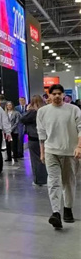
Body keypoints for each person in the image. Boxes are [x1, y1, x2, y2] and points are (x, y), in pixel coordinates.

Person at [37, 84, 81, 230]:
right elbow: (41, 134)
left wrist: (79, 147)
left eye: (59, 93)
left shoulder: (73, 109)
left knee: (68, 182)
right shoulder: (42, 112)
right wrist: (42, 152)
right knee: (53, 181)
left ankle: (68, 209)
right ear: (49, 96)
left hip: (70, 152)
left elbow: (80, 128)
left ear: (63, 95)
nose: (56, 96)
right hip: (51, 151)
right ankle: (55, 212)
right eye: (54, 94)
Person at [21, 95, 48, 186]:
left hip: (34, 138)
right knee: (45, 158)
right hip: (45, 137)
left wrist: (27, 110)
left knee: (36, 159)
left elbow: (23, 119)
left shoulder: (33, 112)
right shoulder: (46, 110)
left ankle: (40, 180)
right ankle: (47, 178)